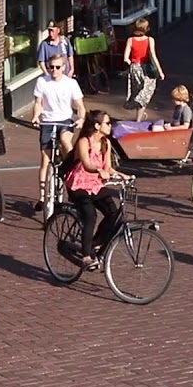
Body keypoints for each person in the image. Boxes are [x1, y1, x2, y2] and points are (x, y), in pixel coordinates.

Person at [64, 112, 129, 270]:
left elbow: (108, 167)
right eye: (107, 123)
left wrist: (122, 175)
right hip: (78, 184)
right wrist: (98, 171)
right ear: (97, 126)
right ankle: (86, 256)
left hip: (95, 185)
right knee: (90, 215)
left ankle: (95, 243)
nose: (110, 126)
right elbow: (86, 164)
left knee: (113, 213)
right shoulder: (84, 141)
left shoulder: (106, 142)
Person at [30, 53, 87, 209]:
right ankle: (42, 198)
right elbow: (38, 103)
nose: (53, 70)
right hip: (48, 122)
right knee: (45, 160)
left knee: (65, 139)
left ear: (63, 67)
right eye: (50, 67)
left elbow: (80, 107)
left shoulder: (71, 83)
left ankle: (71, 166)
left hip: (65, 120)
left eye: (57, 67)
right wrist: (36, 116)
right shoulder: (42, 81)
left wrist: (81, 119)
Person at [122, 18, 164, 122]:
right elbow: (153, 56)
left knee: (138, 91)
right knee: (147, 91)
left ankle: (139, 115)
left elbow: (126, 58)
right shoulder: (150, 40)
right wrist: (160, 71)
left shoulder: (130, 40)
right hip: (146, 68)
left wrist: (130, 63)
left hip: (135, 68)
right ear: (146, 29)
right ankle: (138, 112)